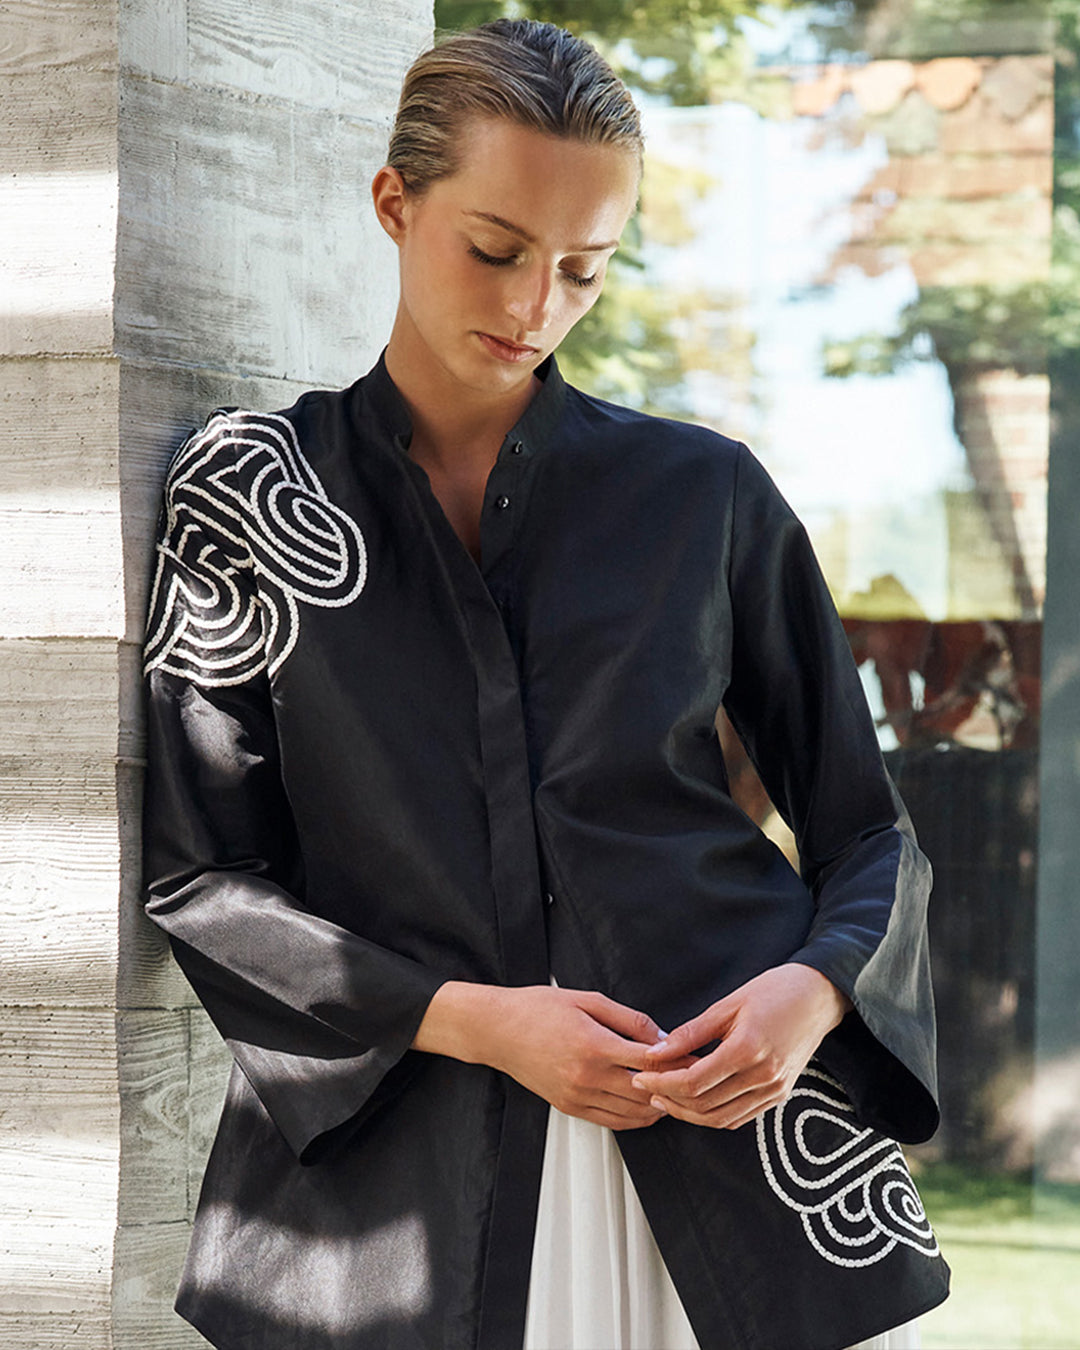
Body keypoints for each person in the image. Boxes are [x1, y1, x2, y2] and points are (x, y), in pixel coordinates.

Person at [141, 18, 950, 1350]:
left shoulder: (706, 495)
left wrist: (812, 990)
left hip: (736, 1156)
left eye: (585, 269)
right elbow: (202, 880)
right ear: (395, 204)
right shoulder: (252, 495)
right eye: (497, 250)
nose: (534, 307)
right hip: (398, 1183)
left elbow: (867, 828)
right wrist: (479, 1022)